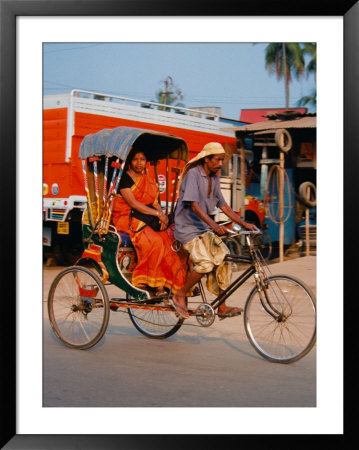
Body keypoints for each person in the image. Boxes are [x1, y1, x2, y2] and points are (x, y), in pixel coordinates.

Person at [173, 142, 257, 319]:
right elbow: (194, 205)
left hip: (203, 228)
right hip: (187, 229)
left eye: (222, 160)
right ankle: (180, 294)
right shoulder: (193, 175)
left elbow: (224, 206)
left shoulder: (215, 178)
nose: (220, 164)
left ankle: (222, 306)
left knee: (224, 260)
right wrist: (214, 225)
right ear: (207, 159)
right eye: (217, 160)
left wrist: (244, 223)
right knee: (205, 264)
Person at [111, 149, 186, 297]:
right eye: (135, 159)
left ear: (146, 162)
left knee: (168, 241)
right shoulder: (124, 179)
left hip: (147, 218)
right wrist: (157, 214)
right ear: (130, 162)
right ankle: (156, 285)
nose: (139, 163)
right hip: (127, 218)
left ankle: (171, 283)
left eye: (142, 159)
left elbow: (154, 203)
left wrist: (162, 218)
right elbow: (133, 203)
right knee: (155, 242)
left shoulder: (149, 181)